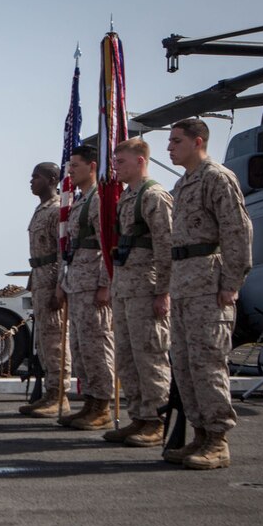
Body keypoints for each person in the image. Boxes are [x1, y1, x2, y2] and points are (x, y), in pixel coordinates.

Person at [163, 118, 252, 469]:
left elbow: (237, 232)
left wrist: (232, 283)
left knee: (208, 364)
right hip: (184, 286)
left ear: (197, 142)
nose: (169, 147)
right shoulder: (183, 184)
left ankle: (218, 440)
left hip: (209, 287)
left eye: (176, 141)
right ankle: (199, 433)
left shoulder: (217, 178)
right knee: (184, 366)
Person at [103, 138, 173, 447]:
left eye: (122, 162)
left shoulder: (154, 196)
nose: (117, 167)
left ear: (141, 161)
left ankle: (156, 420)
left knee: (150, 357)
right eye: (116, 162)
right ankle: (139, 418)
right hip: (125, 288)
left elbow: (166, 246)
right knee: (127, 358)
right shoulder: (127, 197)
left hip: (146, 288)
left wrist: (164, 291)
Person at [56, 145, 115, 430]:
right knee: (81, 349)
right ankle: (90, 402)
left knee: (96, 347)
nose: (70, 171)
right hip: (78, 285)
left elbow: (107, 244)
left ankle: (102, 406)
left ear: (92, 167)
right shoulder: (80, 201)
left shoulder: (98, 200)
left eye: (75, 166)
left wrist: (105, 284)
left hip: (93, 287)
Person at [18, 163, 72, 417]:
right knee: (44, 341)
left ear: (52, 179)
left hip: (51, 279)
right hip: (40, 277)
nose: (31, 181)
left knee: (55, 342)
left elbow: (63, 252)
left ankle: (60, 395)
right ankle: (50, 393)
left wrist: (60, 286)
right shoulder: (41, 209)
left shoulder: (58, 209)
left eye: (36, 177)